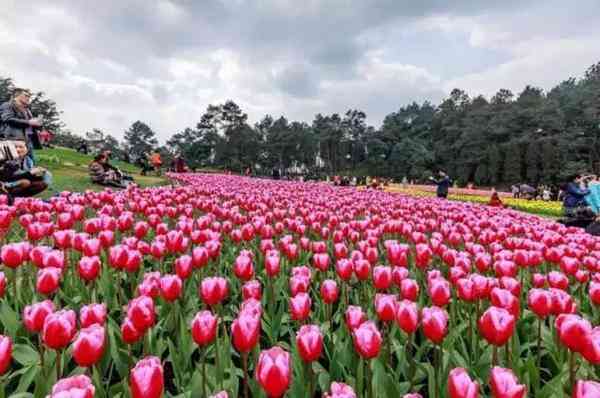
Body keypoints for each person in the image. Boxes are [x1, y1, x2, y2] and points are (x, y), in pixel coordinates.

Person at [0, 88, 43, 162]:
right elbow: (7, 119)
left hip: (27, 143)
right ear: (17, 96)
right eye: (26, 95)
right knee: (12, 164)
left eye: (29, 96)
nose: (28, 98)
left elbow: (30, 125)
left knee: (31, 164)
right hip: (13, 141)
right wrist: (29, 122)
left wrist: (38, 125)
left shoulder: (27, 111)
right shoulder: (7, 105)